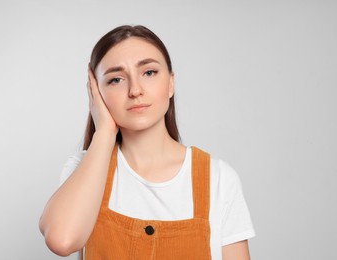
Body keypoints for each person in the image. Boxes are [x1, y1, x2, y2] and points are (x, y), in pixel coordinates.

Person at [39, 25, 255, 260]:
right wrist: (104, 132)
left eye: (149, 72)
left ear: (170, 83)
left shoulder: (218, 178)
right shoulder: (84, 168)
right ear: (96, 93)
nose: (135, 90)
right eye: (116, 80)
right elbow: (62, 240)